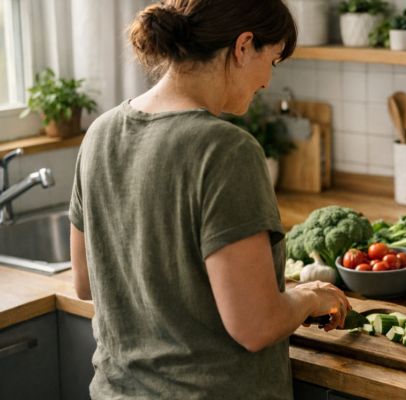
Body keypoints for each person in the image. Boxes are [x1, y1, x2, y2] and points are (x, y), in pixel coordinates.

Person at [69, 1, 350, 398]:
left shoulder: (100, 133)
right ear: (243, 47)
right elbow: (256, 326)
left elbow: (85, 282)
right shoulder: (226, 150)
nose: (268, 80)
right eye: (272, 60)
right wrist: (308, 298)